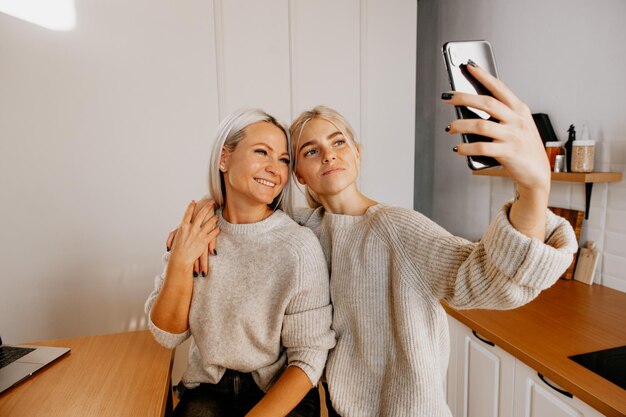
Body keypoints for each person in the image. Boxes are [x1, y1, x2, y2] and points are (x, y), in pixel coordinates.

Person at [172, 63, 577, 416]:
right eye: (310, 152)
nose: (328, 155)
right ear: (297, 175)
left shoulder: (397, 228)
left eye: (338, 142)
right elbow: (251, 221)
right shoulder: (306, 228)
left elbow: (491, 281)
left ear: (358, 154)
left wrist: (534, 190)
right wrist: (207, 214)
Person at [146, 109, 335, 417]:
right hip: (208, 389)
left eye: (284, 159)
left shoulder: (298, 247)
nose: (274, 168)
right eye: (262, 152)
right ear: (224, 158)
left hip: (279, 390)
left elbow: (309, 357)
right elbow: (167, 334)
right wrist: (180, 259)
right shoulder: (196, 231)